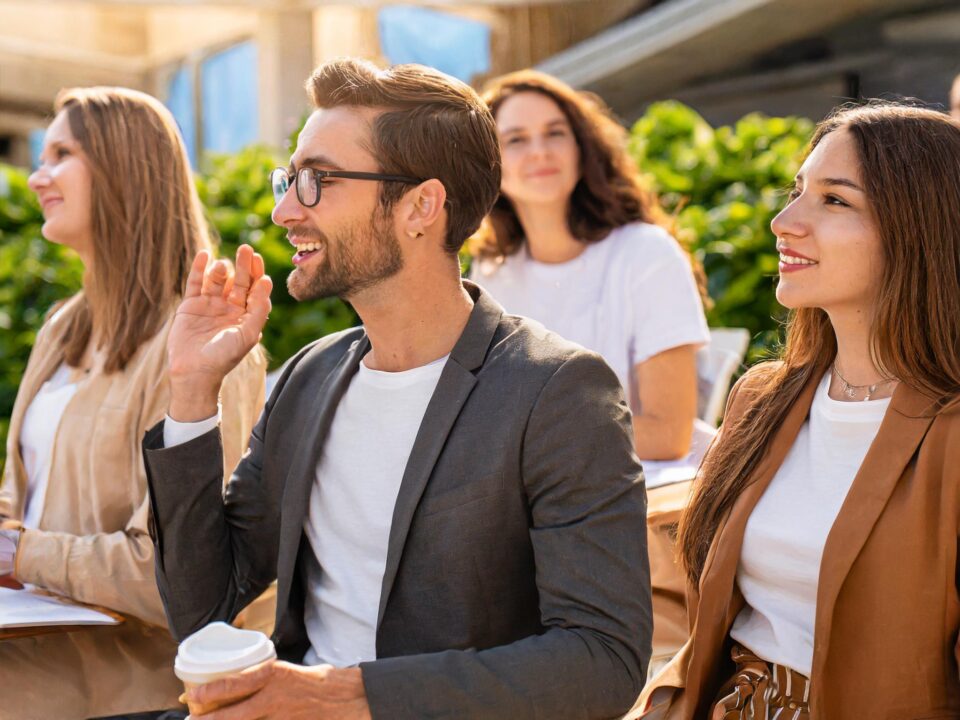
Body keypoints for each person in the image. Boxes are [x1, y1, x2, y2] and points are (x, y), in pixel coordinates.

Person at [142, 58, 652, 720]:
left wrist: (341, 696)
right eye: (288, 180)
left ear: (420, 206)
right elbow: (202, 609)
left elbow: (602, 662)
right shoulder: (308, 378)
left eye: (316, 181)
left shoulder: (557, 392)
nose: (283, 210)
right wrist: (191, 393)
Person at [634, 102, 960, 719]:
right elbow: (712, 620)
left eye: (834, 201)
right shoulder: (763, 398)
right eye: (796, 192)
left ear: (921, 227)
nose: (785, 221)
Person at [0, 87, 266, 719]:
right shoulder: (63, 328)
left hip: (118, 693)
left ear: (124, 166)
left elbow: (179, 571)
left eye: (62, 153)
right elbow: (22, 497)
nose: (37, 177)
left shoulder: (205, 342)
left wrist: (21, 553)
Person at [470, 70, 710, 462]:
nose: (540, 151)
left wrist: (531, 441)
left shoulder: (646, 255)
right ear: (489, 166)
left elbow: (668, 434)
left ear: (582, 146)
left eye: (555, 133)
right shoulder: (493, 273)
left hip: (644, 491)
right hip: (539, 492)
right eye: (516, 139)